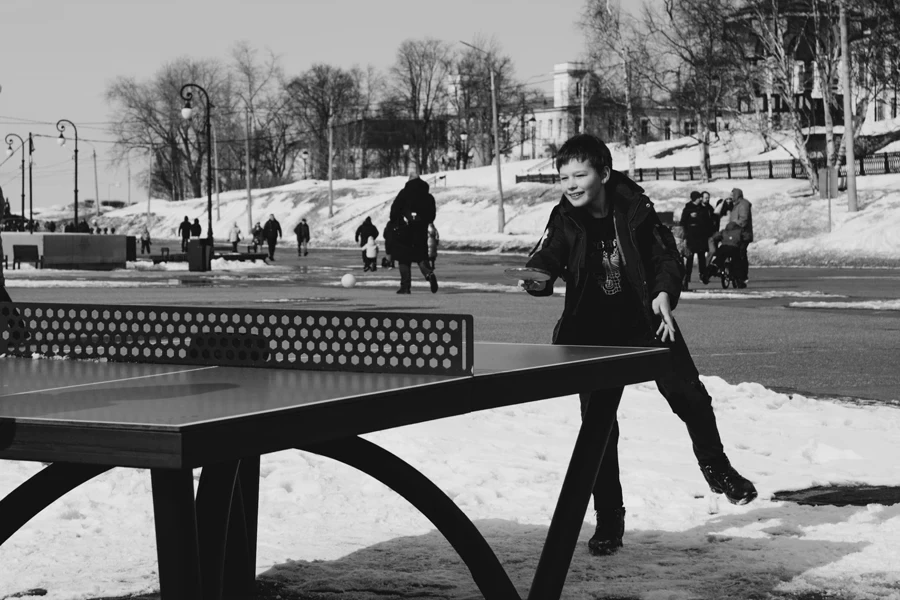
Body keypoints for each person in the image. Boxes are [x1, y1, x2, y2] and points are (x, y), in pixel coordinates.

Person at [520, 134, 757, 557]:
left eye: (580, 174)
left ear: (604, 174)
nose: (571, 184)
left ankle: (718, 470)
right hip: (590, 334)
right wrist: (537, 277)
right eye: (564, 177)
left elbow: (667, 259)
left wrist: (665, 294)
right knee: (599, 431)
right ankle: (609, 519)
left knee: (691, 398)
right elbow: (547, 255)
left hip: (646, 324)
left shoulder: (636, 209)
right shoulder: (563, 216)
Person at [388, 175, 438, 294]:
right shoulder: (428, 196)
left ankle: (405, 287)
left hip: (404, 230)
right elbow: (432, 215)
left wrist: (395, 222)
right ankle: (429, 274)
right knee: (421, 256)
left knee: (404, 259)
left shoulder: (404, 193)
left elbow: (394, 210)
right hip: (420, 230)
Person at [680, 191, 714, 289]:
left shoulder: (703, 209)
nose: (701, 199)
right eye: (699, 197)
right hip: (691, 237)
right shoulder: (688, 209)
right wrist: (686, 234)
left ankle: (703, 275)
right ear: (695, 198)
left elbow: (708, 221)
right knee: (689, 258)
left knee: (702, 257)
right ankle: (687, 277)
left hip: (701, 237)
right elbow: (683, 222)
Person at [727, 188, 753, 288]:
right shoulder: (736, 205)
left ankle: (742, 275)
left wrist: (733, 225)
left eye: (732, 195)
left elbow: (743, 219)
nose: (731, 197)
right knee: (737, 254)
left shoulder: (743, 204)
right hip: (736, 234)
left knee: (741, 254)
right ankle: (737, 274)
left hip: (743, 234)